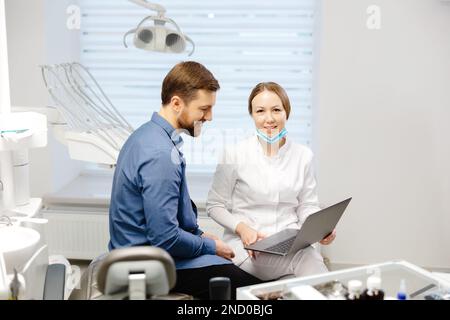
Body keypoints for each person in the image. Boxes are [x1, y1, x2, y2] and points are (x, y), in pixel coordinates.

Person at [108, 61, 262, 299]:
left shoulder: (147, 135)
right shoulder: (159, 154)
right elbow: (165, 238)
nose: (209, 117)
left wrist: (200, 236)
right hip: (148, 264)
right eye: (204, 109)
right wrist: (211, 246)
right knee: (255, 292)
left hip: (143, 253)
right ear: (177, 103)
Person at [206, 82, 336, 281]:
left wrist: (321, 230)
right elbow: (215, 205)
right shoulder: (234, 154)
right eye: (260, 111)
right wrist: (242, 228)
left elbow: (307, 205)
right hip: (250, 248)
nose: (269, 119)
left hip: (291, 244)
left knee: (306, 257)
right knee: (307, 260)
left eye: (276, 110)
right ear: (252, 115)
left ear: (287, 113)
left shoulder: (304, 156)